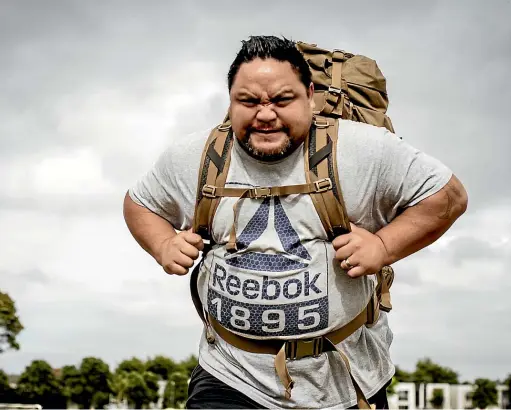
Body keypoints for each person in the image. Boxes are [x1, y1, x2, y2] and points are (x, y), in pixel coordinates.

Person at [123, 35, 468, 409]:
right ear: (231, 101)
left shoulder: (363, 150)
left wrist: (384, 246)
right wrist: (163, 244)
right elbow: (140, 203)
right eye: (249, 101)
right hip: (229, 376)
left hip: (342, 380)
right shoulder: (196, 156)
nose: (265, 114)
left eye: (282, 100)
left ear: (310, 94)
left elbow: (448, 196)